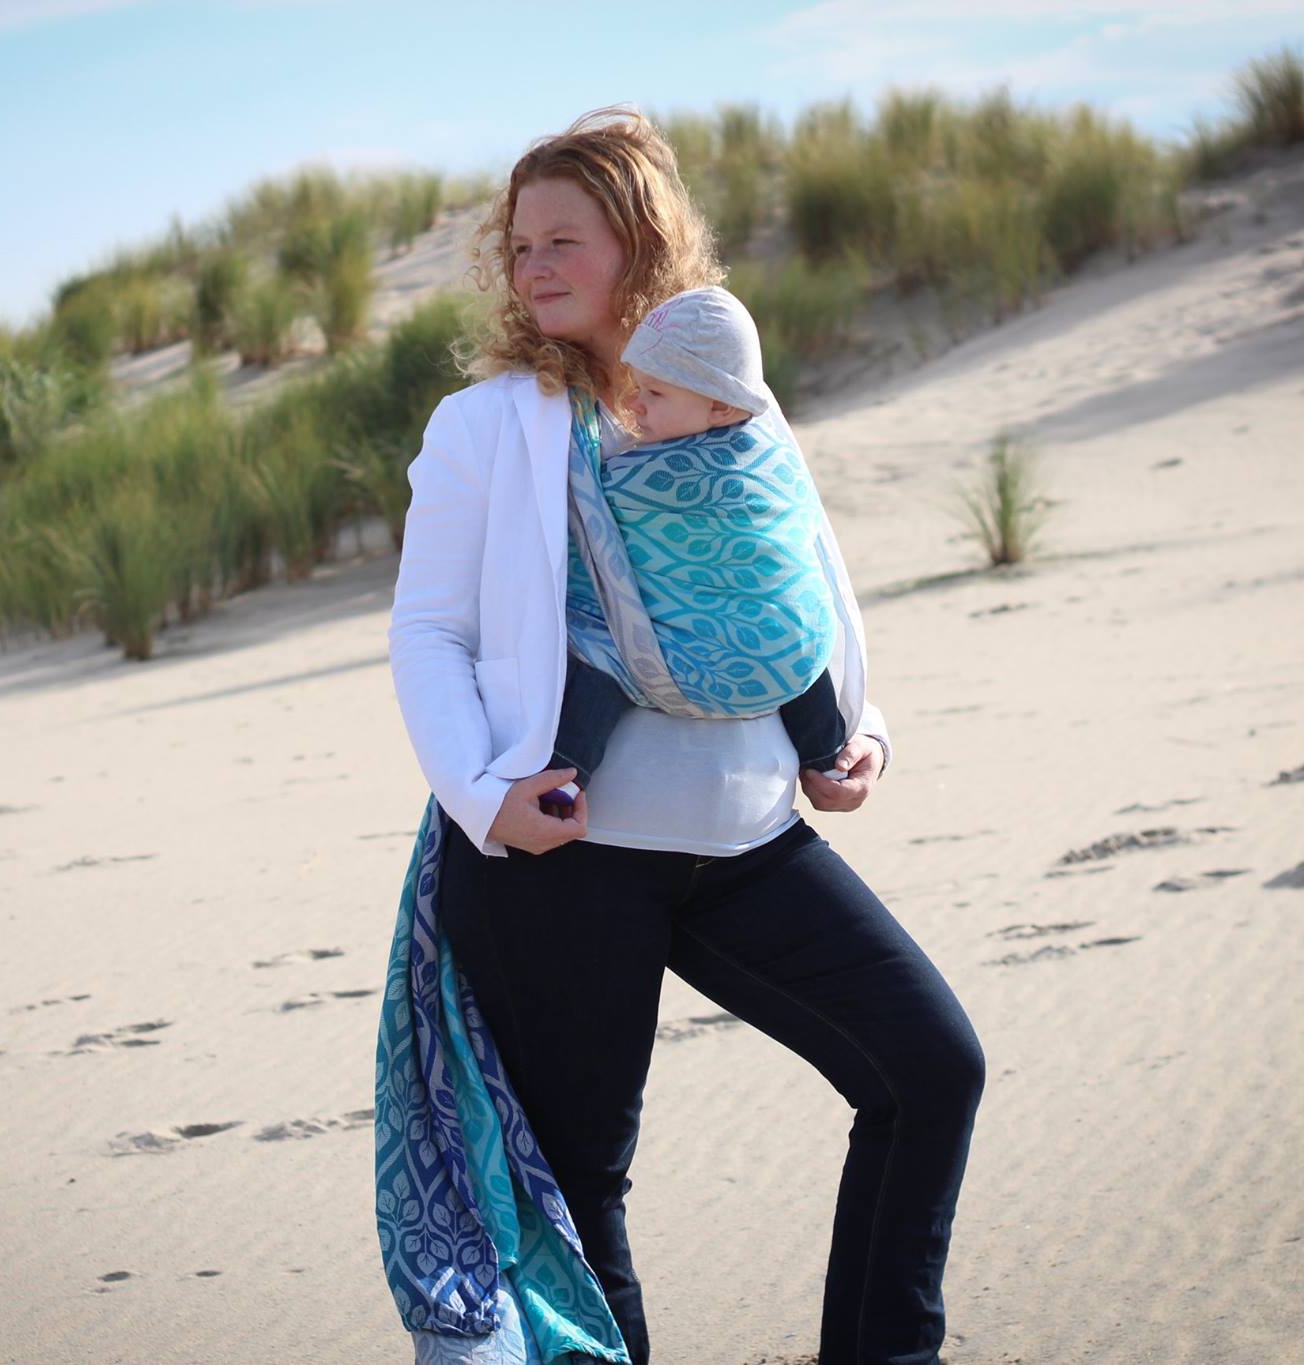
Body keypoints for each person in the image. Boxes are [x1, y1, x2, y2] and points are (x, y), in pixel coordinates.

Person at [383, 107, 985, 1365]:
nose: (533, 265)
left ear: (640, 241)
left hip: (745, 842)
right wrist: (481, 797)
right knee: (581, 1186)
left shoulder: (726, 397)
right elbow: (429, 629)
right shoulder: (486, 424)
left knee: (928, 1069)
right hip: (563, 860)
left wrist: (856, 734)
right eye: (519, 245)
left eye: (564, 239)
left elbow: (795, 580)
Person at [539, 283, 849, 818]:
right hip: (790, 659)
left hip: (706, 664)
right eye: (637, 387)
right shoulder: (771, 450)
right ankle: (825, 756)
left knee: (603, 657)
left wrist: (582, 454)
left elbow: (591, 514)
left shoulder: (647, 479)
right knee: (793, 629)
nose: (633, 403)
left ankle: (563, 780)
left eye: (655, 394)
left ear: (722, 405)